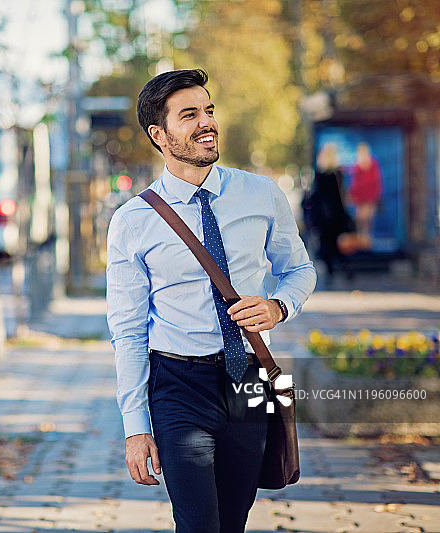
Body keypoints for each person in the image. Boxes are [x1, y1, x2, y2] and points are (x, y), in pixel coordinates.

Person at [106, 69, 316, 533]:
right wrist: (135, 427)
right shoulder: (132, 221)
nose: (207, 122)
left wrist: (279, 306)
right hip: (177, 384)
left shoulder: (260, 194)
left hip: (247, 379)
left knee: (233, 519)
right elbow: (127, 329)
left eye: (209, 110)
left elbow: (299, 270)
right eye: (189, 115)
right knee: (198, 523)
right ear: (159, 135)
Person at [301, 143, 355, 280]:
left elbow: (316, 196)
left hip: (324, 217)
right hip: (336, 216)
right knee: (336, 245)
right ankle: (345, 268)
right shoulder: (338, 174)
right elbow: (340, 196)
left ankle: (332, 272)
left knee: (326, 245)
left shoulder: (321, 175)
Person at [347, 142, 382, 246]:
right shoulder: (356, 166)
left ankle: (368, 241)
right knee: (360, 220)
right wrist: (352, 196)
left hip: (370, 198)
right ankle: (361, 241)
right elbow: (353, 183)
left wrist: (376, 197)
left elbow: (377, 182)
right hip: (359, 199)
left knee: (368, 220)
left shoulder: (373, 164)